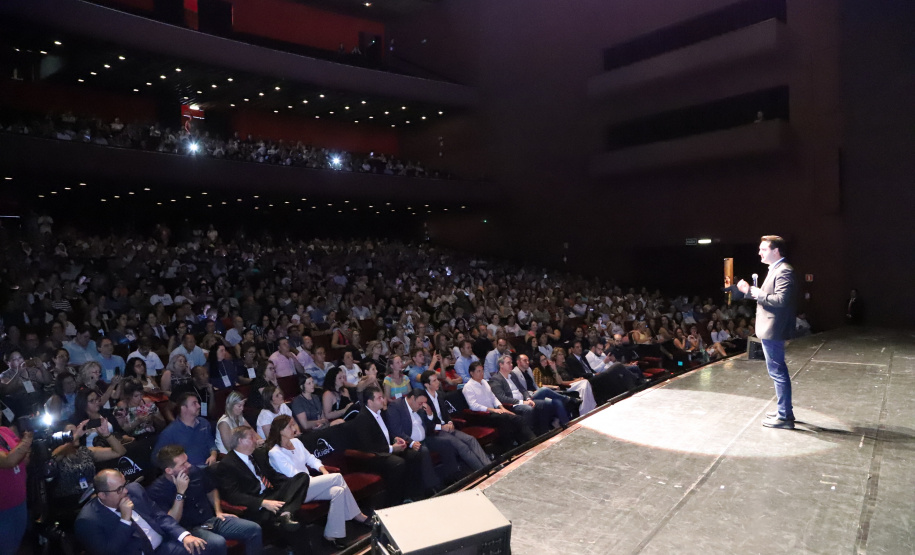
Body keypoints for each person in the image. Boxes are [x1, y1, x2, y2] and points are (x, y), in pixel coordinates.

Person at [266, 416, 370, 549]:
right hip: (297, 491)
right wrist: (324, 480)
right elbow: (294, 475)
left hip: (311, 484)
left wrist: (323, 471)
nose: (294, 428)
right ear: (280, 430)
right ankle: (358, 515)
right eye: (290, 426)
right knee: (337, 477)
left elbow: (310, 458)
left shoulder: (296, 442)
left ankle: (331, 535)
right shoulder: (274, 453)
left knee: (338, 490)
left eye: (293, 425)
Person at [148, 445, 262, 555]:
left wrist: (218, 511)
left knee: (254, 529)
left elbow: (211, 490)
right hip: (190, 529)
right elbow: (172, 521)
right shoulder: (156, 490)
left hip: (210, 519)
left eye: (187, 461)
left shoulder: (194, 471)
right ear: (169, 470)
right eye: (183, 464)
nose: (188, 465)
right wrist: (180, 493)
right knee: (217, 542)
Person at [214, 426, 311, 553]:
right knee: (295, 523)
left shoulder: (258, 454)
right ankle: (287, 515)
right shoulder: (227, 464)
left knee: (301, 477)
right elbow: (233, 495)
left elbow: (274, 477)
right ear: (240, 441)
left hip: (273, 493)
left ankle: (286, 513)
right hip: (257, 504)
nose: (256, 440)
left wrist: (290, 486)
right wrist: (262, 503)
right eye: (252, 437)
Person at [75, 468, 214, 555]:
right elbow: (108, 551)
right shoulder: (88, 520)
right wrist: (124, 520)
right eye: (119, 490)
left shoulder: (135, 489)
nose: (125, 491)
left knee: (200, 548)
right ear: (102, 495)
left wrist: (184, 536)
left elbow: (159, 516)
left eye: (124, 485)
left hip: (163, 546)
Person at [737, 235, 797, 429]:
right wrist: (748, 291)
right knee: (777, 372)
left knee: (778, 372)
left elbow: (781, 300)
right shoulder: (775, 270)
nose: (759, 252)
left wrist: (757, 293)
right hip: (771, 328)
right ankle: (784, 411)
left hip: (774, 329)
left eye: (763, 249)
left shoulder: (784, 271)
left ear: (775, 250)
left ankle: (785, 416)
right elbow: (767, 298)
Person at [419, 370, 490, 471]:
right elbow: (426, 424)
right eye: (434, 381)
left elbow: (446, 413)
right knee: (462, 446)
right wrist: (442, 427)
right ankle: (482, 470)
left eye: (437, 380)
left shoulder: (439, 395)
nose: (438, 382)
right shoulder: (423, 400)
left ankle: (488, 465)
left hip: (447, 427)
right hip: (436, 432)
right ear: (426, 384)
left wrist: (450, 422)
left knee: (471, 439)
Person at [383, 388, 450, 485]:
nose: (421, 406)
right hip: (409, 443)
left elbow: (429, 424)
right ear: (413, 398)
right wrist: (411, 442)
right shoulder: (396, 406)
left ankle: (450, 474)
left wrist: (430, 414)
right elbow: (396, 430)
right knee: (423, 451)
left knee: (445, 442)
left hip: (425, 438)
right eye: (420, 403)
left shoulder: (420, 407)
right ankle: (432, 485)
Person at [462, 362, 535, 449]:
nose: (481, 373)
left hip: (494, 412)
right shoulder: (468, 387)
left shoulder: (484, 382)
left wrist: (502, 408)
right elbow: (473, 405)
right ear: (472, 373)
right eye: (478, 371)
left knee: (514, 418)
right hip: (481, 416)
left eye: (482, 371)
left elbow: (493, 397)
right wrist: (493, 410)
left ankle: (527, 443)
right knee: (508, 419)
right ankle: (518, 445)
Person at [488, 355, 558, 433]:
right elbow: (502, 398)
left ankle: (543, 431)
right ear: (501, 365)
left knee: (545, 404)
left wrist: (528, 398)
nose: (511, 364)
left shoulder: (513, 375)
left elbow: (523, 389)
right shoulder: (496, 379)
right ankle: (528, 435)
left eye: (511, 362)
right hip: (512, 405)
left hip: (524, 401)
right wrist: (522, 402)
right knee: (528, 409)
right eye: (508, 363)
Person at [152, 392, 218, 467]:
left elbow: (211, 444)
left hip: (208, 467)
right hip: (188, 473)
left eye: (198, 403)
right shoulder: (169, 432)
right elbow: (156, 458)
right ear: (183, 408)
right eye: (194, 403)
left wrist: (213, 455)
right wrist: (178, 467)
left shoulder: (204, 423)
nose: (199, 406)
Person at [0, 425, 31, 555]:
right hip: (3, 508)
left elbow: (25, 459)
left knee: (15, 546)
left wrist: (23, 448)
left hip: (19, 502)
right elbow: (9, 460)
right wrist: (28, 437)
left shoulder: (5, 431)